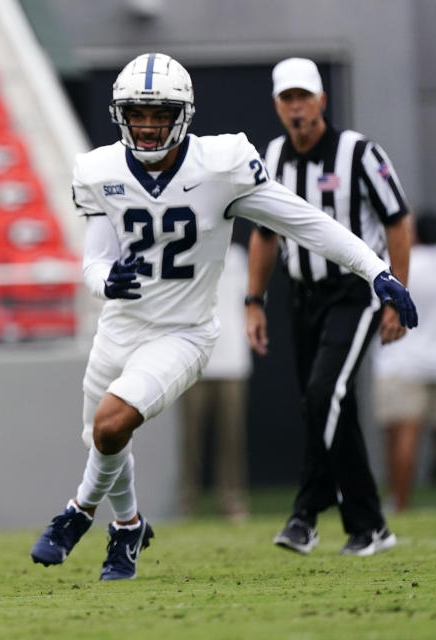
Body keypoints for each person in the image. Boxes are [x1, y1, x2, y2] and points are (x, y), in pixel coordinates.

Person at [28, 52, 417, 580]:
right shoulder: (99, 170)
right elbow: (96, 260)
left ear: (183, 115)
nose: (145, 126)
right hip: (119, 326)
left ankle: (76, 513)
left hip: (183, 332)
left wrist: (377, 271)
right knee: (104, 439)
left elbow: (306, 222)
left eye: (157, 113)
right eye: (136, 113)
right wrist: (103, 281)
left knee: (111, 422)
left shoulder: (222, 165)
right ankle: (129, 528)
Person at [246, 57, 414, 556]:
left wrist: (394, 292)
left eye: (304, 97)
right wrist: (254, 301)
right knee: (326, 402)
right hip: (302, 294)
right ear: (277, 105)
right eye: (287, 99)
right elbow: (263, 234)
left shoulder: (358, 153)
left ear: (322, 100)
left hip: (355, 291)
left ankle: (305, 514)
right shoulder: (271, 157)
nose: (296, 108)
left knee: (324, 393)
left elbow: (398, 222)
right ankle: (370, 526)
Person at [179, 243, 250, 521]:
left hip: (232, 361)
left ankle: (232, 500)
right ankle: (188, 501)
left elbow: (252, 299)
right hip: (194, 361)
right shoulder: (186, 254)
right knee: (191, 438)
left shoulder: (238, 258)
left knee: (231, 437)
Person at [373, 215, 436, 511]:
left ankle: (399, 503)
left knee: (403, 438)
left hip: (401, 363)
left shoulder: (395, 264)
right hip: (429, 360)